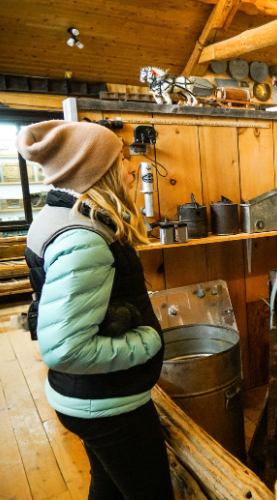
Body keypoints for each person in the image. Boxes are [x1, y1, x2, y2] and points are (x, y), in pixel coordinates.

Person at [17, 120, 174, 500]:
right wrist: (148, 342)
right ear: (98, 173)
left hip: (90, 398)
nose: (130, 168)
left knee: (109, 489)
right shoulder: (83, 240)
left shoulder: (58, 216)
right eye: (120, 160)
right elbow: (64, 348)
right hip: (109, 404)